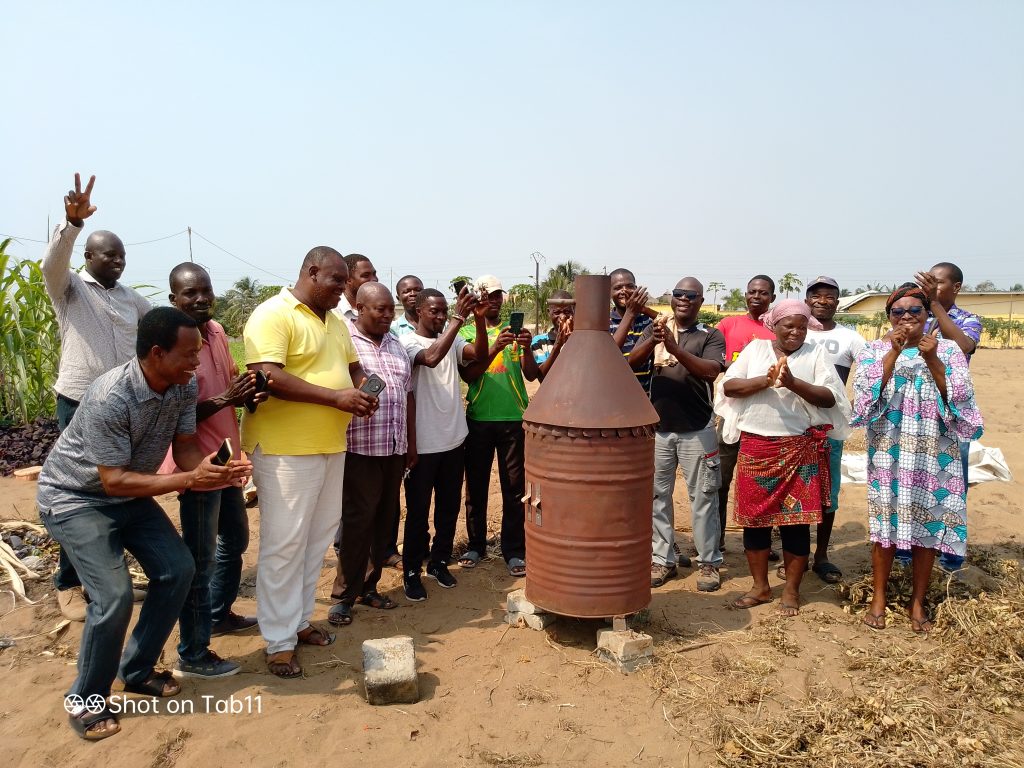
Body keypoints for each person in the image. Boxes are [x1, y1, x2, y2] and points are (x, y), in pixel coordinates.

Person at [37, 307, 251, 740]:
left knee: (179, 569)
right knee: (112, 596)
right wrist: (188, 478)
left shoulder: (181, 386)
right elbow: (112, 480)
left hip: (130, 492)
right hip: (76, 498)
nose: (196, 362)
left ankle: (134, 670)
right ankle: (87, 700)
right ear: (157, 352)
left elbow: (187, 446)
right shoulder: (110, 397)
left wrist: (209, 469)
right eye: (189, 353)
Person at [243, 247, 377, 679]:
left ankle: (297, 621)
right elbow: (268, 376)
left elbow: (353, 369)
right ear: (311, 272)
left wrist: (362, 390)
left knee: (316, 542)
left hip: (330, 444)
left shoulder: (334, 322)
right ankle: (278, 642)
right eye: (337, 282)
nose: (344, 291)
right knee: (284, 545)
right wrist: (337, 397)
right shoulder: (273, 314)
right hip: (285, 449)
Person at [40, 174, 153, 622]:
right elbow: (52, 265)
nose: (119, 261)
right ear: (89, 256)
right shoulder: (69, 289)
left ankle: (103, 577)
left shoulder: (130, 300)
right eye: (110, 254)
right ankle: (70, 582)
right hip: (80, 403)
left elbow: (161, 324)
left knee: (117, 488)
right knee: (79, 490)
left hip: (124, 407)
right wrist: (71, 225)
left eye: (123, 255)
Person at [852, 284, 982, 633]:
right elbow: (863, 399)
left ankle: (918, 601)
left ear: (927, 316)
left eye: (915, 312)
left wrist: (932, 358)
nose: (907, 318)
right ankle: (878, 597)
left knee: (930, 523)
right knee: (885, 522)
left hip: (934, 451)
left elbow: (961, 399)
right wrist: (892, 355)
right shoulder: (872, 350)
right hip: (889, 451)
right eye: (899, 312)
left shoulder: (949, 350)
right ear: (888, 317)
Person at [159, 264, 263, 679]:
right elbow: (178, 414)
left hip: (227, 459)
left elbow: (231, 381)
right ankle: (192, 651)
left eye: (206, 290)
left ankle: (219, 614)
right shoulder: (175, 344)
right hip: (198, 465)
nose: (200, 299)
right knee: (199, 559)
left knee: (234, 539)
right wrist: (225, 399)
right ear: (174, 300)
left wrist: (247, 392)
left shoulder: (217, 332)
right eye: (190, 293)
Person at [715, 299, 850, 616]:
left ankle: (791, 590)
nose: (796, 332)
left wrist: (792, 383)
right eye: (789, 325)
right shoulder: (756, 350)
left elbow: (830, 396)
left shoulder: (814, 354)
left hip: (797, 450)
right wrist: (765, 380)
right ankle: (760, 587)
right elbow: (730, 386)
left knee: (797, 523)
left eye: (802, 326)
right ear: (772, 326)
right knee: (755, 522)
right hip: (756, 448)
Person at [326, 284, 414, 625]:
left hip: (393, 447)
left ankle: (370, 587)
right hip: (358, 448)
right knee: (356, 523)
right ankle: (343, 597)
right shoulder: (344, 341)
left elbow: (407, 395)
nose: (388, 315)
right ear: (359, 308)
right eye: (380, 310)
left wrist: (411, 445)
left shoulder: (396, 344)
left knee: (383, 522)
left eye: (390, 309)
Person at [398, 288, 488, 600]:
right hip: (423, 444)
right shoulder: (407, 342)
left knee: (448, 509)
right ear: (419, 312)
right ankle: (411, 571)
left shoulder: (452, 337)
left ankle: (439, 563)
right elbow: (432, 358)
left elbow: (477, 354)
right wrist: (457, 318)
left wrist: (476, 321)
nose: (439, 317)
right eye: (433, 312)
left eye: (443, 311)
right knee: (418, 513)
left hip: (454, 440)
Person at [640, 278, 726, 591]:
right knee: (656, 497)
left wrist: (674, 347)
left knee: (702, 497)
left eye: (690, 296)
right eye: (678, 295)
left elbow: (710, 371)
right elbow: (632, 361)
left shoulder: (710, 335)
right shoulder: (656, 329)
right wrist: (654, 342)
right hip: (659, 430)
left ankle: (708, 563)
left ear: (701, 301)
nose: (683, 300)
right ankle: (663, 560)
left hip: (697, 428)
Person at [458, 275, 539, 576]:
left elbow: (531, 376)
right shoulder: (466, 331)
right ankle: (476, 545)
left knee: (514, 487)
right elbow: (469, 375)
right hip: (479, 418)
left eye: (498, 295)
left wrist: (527, 348)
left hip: (514, 420)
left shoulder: (515, 333)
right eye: (489, 295)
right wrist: (495, 346)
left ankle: (514, 550)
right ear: (479, 298)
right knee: (476, 486)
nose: (494, 300)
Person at [914, 262, 983, 571]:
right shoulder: (916, 315)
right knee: (916, 481)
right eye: (929, 283)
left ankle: (951, 557)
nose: (932, 288)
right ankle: (909, 550)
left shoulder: (967, 320)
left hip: (951, 410)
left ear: (956, 288)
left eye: (938, 283)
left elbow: (964, 345)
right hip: (918, 410)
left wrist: (933, 304)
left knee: (952, 485)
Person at [803, 276, 866, 583]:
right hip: (793, 425)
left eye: (829, 296)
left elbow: (871, 371)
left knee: (828, 493)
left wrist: (852, 403)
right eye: (816, 295)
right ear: (807, 300)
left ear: (837, 302)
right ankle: (798, 554)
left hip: (829, 426)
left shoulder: (850, 337)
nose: (822, 301)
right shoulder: (794, 329)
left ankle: (822, 556)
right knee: (797, 490)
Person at [714, 275, 777, 558]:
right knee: (720, 480)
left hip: (766, 417)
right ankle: (715, 539)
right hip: (730, 413)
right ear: (745, 295)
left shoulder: (778, 329)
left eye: (763, 293)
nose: (757, 296)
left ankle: (764, 544)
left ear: (772, 298)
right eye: (752, 291)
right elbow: (715, 361)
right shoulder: (728, 325)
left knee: (763, 483)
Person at [609, 268, 656, 395]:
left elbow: (669, 323)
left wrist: (643, 309)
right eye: (618, 287)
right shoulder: (605, 322)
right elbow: (610, 353)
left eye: (630, 286)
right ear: (609, 292)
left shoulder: (647, 321)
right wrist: (630, 313)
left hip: (644, 397)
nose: (624, 291)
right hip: (615, 397)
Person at [531, 290, 574, 378]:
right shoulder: (540, 341)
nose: (562, 317)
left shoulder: (582, 339)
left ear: (574, 311)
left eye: (567, 312)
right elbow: (541, 376)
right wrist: (558, 345)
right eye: (557, 313)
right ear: (548, 313)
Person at [335, 253, 378, 322]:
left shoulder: (379, 310)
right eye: (366, 275)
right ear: (348, 278)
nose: (374, 279)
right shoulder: (333, 311)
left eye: (374, 274)